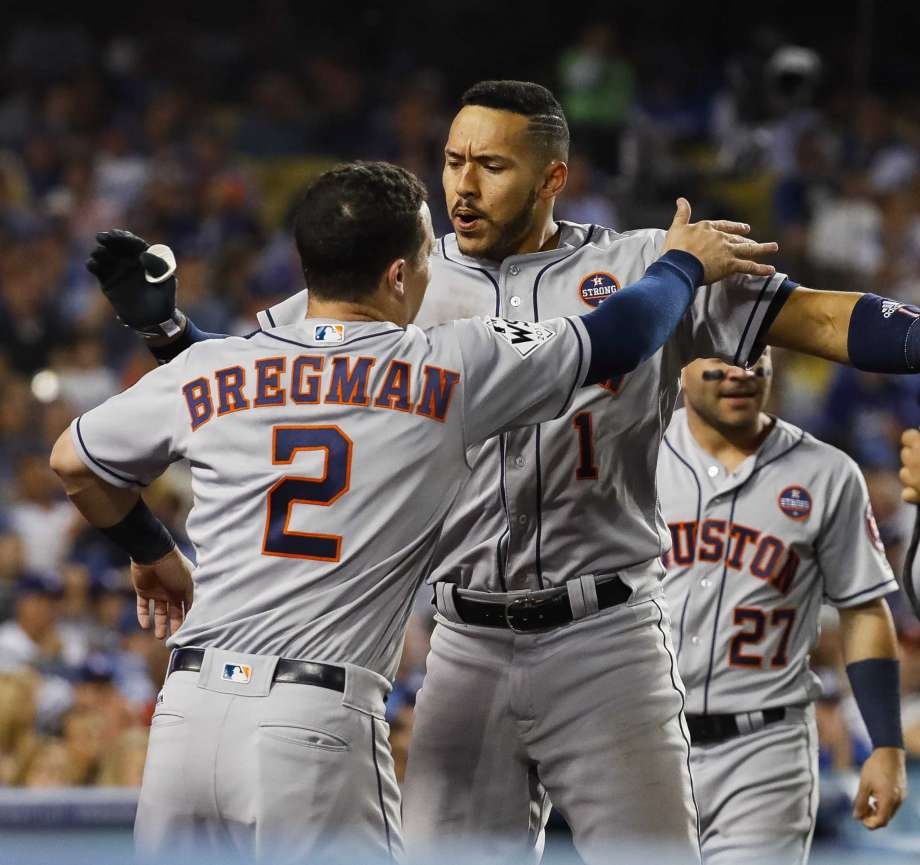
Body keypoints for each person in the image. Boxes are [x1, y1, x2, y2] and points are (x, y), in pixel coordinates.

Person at [92, 80, 920, 864]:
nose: (463, 185)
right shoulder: (402, 275)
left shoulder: (648, 264)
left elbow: (828, 320)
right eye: (453, 161)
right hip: (463, 641)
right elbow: (263, 381)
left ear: (552, 175)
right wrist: (168, 330)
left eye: (492, 165)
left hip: (607, 638)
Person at [658, 352, 906, 864]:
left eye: (754, 358)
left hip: (764, 748)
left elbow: (864, 609)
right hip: (642, 741)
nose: (739, 374)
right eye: (720, 360)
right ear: (678, 364)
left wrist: (886, 744)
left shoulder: (827, 472)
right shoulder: (630, 454)